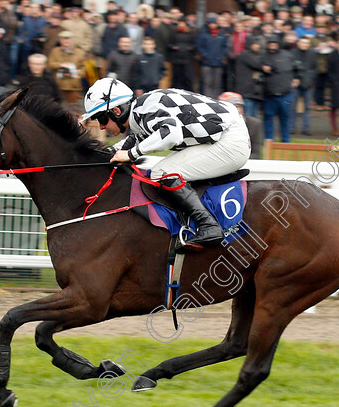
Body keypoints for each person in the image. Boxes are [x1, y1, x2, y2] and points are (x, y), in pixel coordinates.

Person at [83, 78, 250, 251]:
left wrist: (131, 154)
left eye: (101, 118)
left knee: (162, 172)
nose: (101, 127)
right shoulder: (142, 110)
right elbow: (138, 138)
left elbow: (171, 133)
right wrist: (103, 155)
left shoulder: (146, 109)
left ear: (117, 111)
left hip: (229, 142)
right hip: (225, 136)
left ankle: (209, 226)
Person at [262, 36, 298, 144]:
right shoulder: (264, 56)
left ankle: (286, 141)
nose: (272, 46)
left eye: (274, 43)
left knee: (285, 118)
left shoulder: (287, 55)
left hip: (285, 93)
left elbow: (296, 69)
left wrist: (297, 78)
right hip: (269, 93)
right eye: (270, 43)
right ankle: (269, 141)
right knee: (268, 117)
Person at [219, 91, 264, 159]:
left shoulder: (254, 124)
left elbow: (256, 153)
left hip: (247, 163)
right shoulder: (216, 124)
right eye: (233, 106)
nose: (237, 110)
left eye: (239, 106)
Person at [47, 30, 86, 103]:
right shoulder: (55, 51)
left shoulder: (79, 52)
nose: (66, 41)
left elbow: (83, 67)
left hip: (73, 85)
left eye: (68, 38)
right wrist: (60, 65)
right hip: (59, 84)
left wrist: (79, 74)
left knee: (73, 106)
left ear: (72, 40)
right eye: (64, 39)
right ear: (60, 40)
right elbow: (50, 64)